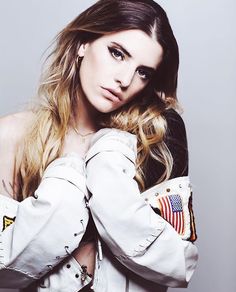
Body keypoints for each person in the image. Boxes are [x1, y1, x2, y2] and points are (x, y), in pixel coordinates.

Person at [0, 0, 198, 291]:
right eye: (117, 54)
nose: (125, 80)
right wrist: (65, 190)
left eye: (143, 72)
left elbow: (179, 265)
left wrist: (108, 168)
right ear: (83, 43)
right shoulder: (14, 134)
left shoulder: (156, 136)